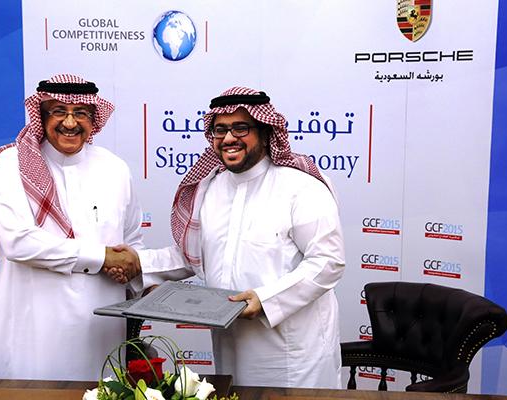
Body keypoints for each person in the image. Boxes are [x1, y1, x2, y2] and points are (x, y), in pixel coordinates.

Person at [124, 86, 345, 388]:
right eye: (220, 130)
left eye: (241, 128)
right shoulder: (209, 188)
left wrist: (265, 300)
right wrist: (136, 263)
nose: (229, 138)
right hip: (229, 342)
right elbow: (193, 253)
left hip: (293, 352)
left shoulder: (301, 187)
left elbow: (328, 261)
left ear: (265, 132)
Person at [0, 74, 143, 381]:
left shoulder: (115, 168)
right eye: (59, 111)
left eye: (81, 113)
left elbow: (132, 242)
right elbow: (19, 242)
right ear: (42, 116)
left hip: (100, 341)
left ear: (94, 118)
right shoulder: (10, 164)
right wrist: (103, 258)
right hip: (30, 342)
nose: (70, 123)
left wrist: (130, 268)